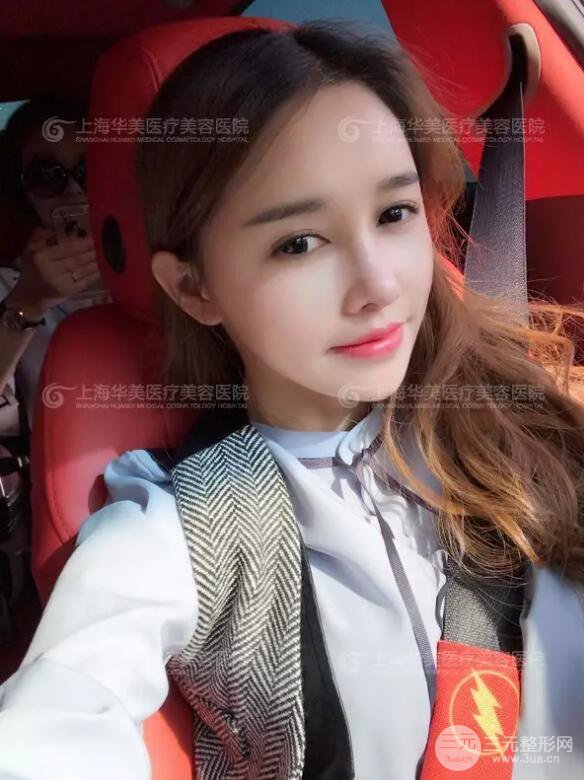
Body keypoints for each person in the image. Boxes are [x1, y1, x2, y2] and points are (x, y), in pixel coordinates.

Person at [1, 20, 584, 780]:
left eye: (395, 213)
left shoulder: (528, 421)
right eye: (298, 243)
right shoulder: (181, 529)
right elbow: (63, 710)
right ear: (194, 287)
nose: (378, 286)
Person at [0, 94, 109, 436]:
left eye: (89, 169)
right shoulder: (7, 286)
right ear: (24, 193)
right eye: (47, 175)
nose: (74, 190)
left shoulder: (162, 267)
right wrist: (28, 302)